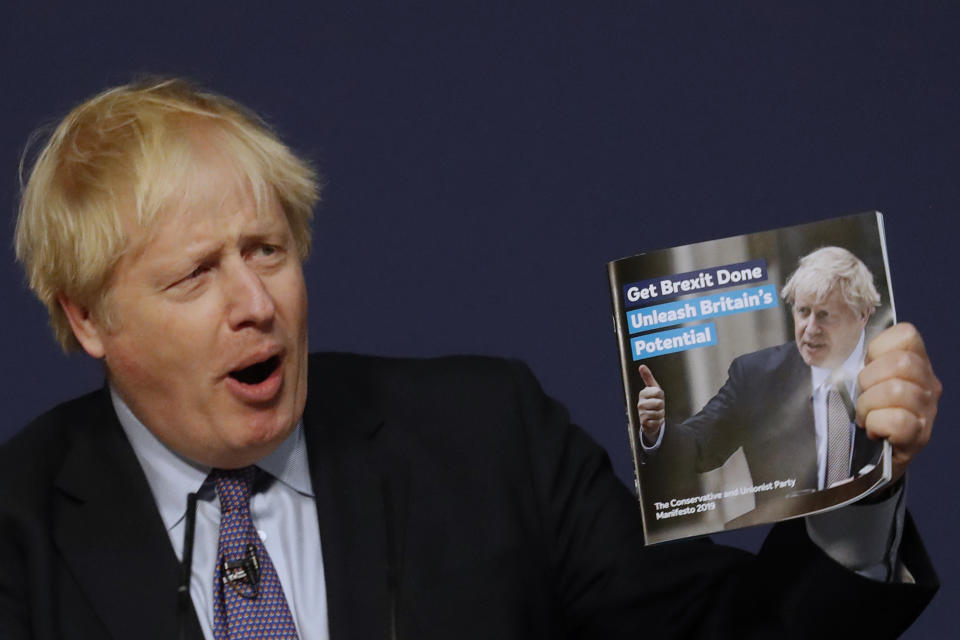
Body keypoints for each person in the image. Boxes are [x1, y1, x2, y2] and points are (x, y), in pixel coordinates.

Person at [0, 78, 941, 639]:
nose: (256, 305)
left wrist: (861, 495)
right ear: (87, 319)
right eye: (195, 275)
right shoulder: (16, 531)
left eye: (267, 250)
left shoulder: (492, 437)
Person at [638, 247, 892, 499]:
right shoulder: (756, 377)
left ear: (862, 315)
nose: (810, 329)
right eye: (803, 311)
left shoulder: (891, 374)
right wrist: (655, 430)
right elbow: (698, 447)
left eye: (825, 316)